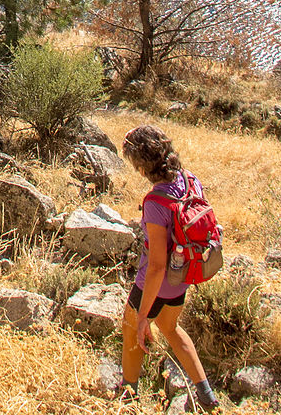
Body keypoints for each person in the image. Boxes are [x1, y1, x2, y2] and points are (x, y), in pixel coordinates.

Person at [118, 124, 221, 409]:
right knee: (170, 327)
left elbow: (156, 266)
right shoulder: (190, 180)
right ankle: (207, 396)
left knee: (131, 329)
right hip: (184, 275)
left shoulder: (156, 201)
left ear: (142, 166)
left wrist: (141, 319)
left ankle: (128, 397)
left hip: (155, 284)